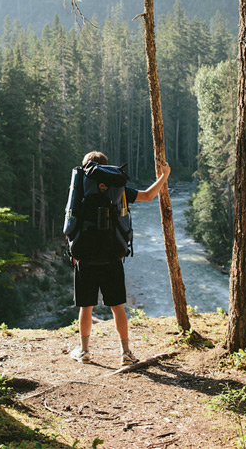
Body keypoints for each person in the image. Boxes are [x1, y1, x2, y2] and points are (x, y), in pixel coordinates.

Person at [69, 150, 170, 367]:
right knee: (118, 307)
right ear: (107, 166)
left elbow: (71, 219)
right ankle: (125, 353)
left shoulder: (80, 186)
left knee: (86, 307)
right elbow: (148, 195)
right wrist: (164, 176)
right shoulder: (117, 187)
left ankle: (84, 351)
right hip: (112, 255)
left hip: (85, 256)